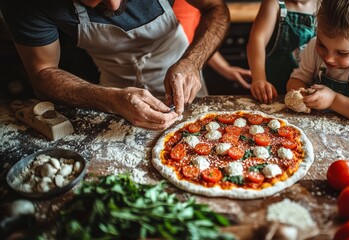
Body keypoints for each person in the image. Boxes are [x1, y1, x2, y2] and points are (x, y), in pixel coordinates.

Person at [0, 0, 230, 130]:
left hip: (180, 66)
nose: (113, 4)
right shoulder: (24, 3)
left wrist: (192, 62)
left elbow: (216, 8)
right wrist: (111, 99)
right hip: (111, 86)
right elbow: (42, 72)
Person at [247, 0, 318, 103]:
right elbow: (258, 40)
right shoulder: (274, 3)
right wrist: (259, 78)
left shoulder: (325, 5)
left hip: (311, 96)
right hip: (273, 93)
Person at [173, 0, 252, 90]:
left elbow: (199, 38)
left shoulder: (199, 6)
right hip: (160, 70)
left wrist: (225, 68)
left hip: (189, 68)